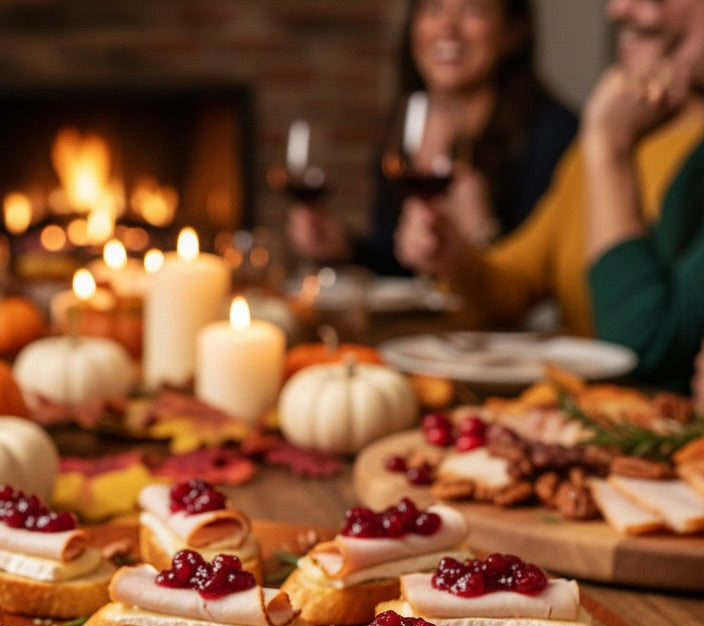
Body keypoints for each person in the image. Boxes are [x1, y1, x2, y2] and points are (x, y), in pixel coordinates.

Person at [396, 0, 704, 392]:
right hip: (577, 415)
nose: (618, 8)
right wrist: (455, 259)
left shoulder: (613, 136)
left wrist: (608, 147)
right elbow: (517, 278)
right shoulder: (625, 125)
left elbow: (644, 342)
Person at [287, 0, 577, 275]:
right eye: (433, 7)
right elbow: (402, 266)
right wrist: (345, 248)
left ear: (514, 32)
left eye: (473, 8)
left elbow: (544, 287)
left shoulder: (557, 136)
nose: (447, 28)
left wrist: (482, 231)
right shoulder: (405, 129)